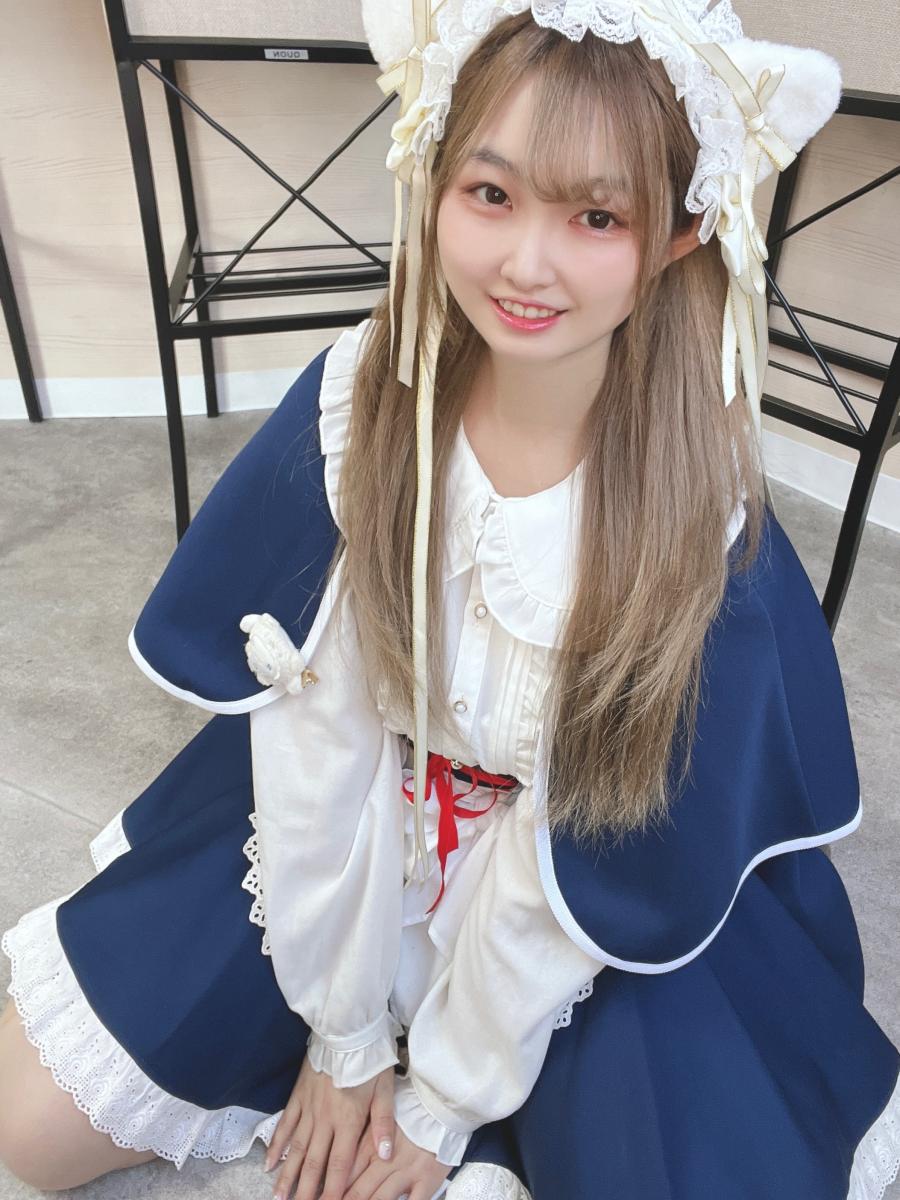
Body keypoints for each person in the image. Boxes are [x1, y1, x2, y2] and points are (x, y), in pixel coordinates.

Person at [1, 4, 899, 1200]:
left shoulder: (693, 509)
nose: (527, 263)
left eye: (595, 217)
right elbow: (321, 737)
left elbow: (599, 829)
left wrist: (443, 1097)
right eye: (491, 193)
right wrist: (343, 1035)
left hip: (577, 885)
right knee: (28, 1125)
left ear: (681, 233)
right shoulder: (359, 401)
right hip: (362, 809)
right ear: (433, 182)